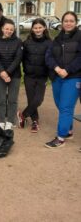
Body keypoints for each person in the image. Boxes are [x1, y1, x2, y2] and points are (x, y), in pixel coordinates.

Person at [45, 11, 81, 148]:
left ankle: (60, 138)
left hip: (73, 77)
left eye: (71, 21)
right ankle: (69, 130)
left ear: (76, 22)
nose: (68, 23)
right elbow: (49, 56)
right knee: (61, 105)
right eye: (66, 21)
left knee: (65, 107)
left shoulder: (80, 37)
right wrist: (57, 69)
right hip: (57, 76)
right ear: (62, 23)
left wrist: (68, 70)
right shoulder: (57, 38)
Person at [18, 18, 51, 132]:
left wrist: (50, 75)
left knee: (38, 99)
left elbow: (51, 60)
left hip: (42, 76)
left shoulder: (49, 43)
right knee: (31, 99)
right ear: (32, 29)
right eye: (35, 28)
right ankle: (35, 122)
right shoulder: (26, 42)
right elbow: (22, 58)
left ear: (44, 28)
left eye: (40, 27)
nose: (38, 30)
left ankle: (23, 115)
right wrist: (26, 68)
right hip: (29, 76)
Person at [0, 19, 23, 129]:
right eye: (6, 29)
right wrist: (2, 73)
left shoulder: (18, 41)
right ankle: (1, 121)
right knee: (1, 99)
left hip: (14, 75)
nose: (8, 31)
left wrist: (8, 72)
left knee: (12, 99)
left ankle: (10, 121)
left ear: (14, 30)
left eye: (11, 29)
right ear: (2, 29)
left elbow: (18, 58)